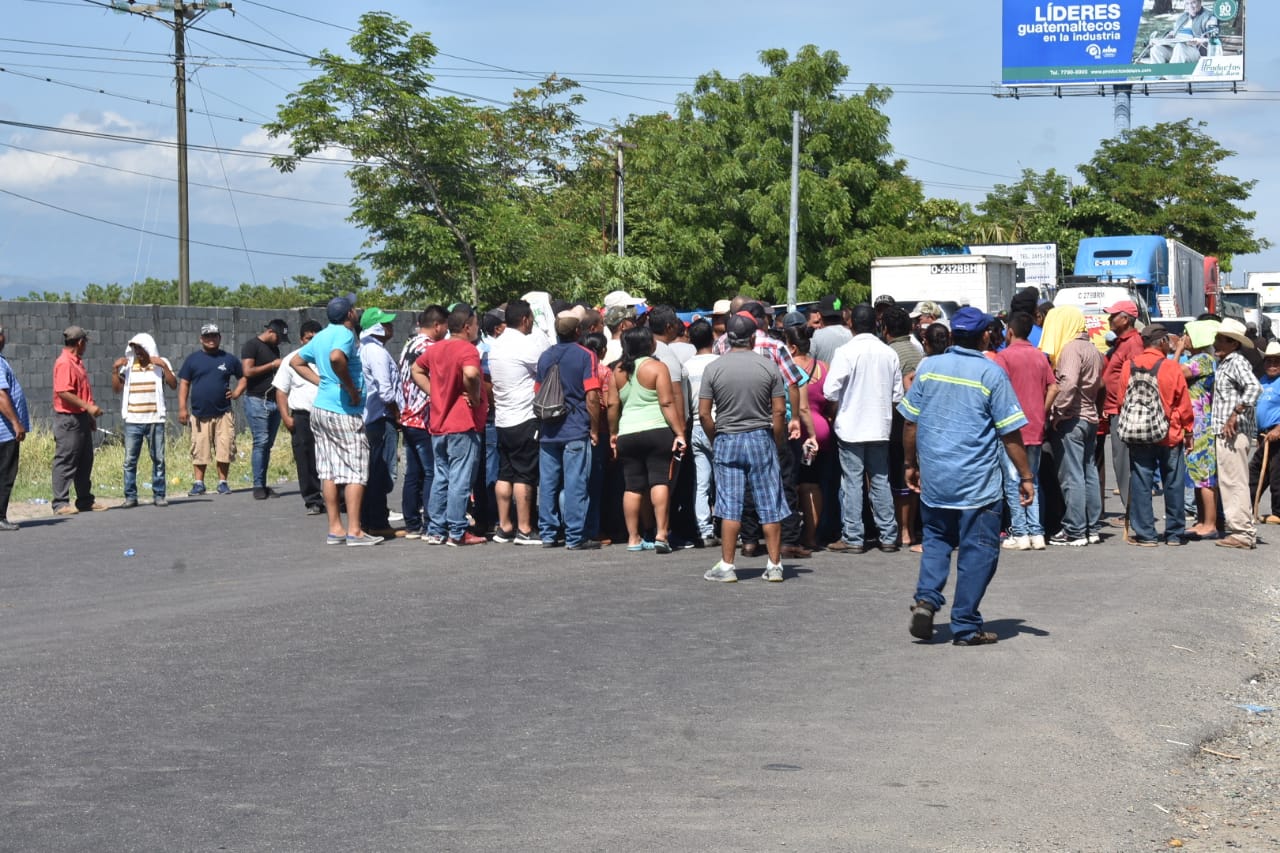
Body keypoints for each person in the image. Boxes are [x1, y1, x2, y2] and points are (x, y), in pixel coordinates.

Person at [900, 306, 1033, 647]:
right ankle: (965, 625)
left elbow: (910, 422)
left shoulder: (928, 368)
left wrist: (909, 464)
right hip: (977, 484)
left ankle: (928, 599)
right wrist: (1026, 476)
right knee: (979, 551)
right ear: (985, 335)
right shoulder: (990, 374)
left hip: (937, 479)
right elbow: (1010, 434)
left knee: (936, 541)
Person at [700, 313, 790, 583]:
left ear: (727, 338)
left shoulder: (714, 368)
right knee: (769, 502)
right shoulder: (768, 367)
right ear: (753, 338)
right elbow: (779, 411)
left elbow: (704, 414)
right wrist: (776, 440)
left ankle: (727, 566)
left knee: (729, 504)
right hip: (761, 436)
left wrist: (716, 438)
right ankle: (775, 565)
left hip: (728, 437)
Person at [289, 296, 383, 547]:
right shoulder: (344, 333)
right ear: (349, 314)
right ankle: (355, 531)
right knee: (355, 471)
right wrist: (350, 388)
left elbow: (295, 361)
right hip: (343, 410)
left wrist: (322, 383)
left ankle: (335, 528)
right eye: (354, 309)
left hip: (320, 409)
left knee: (328, 469)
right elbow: (336, 358)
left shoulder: (320, 336)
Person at [824, 303, 903, 553]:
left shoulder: (845, 352)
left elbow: (829, 390)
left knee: (852, 483)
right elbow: (897, 394)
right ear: (876, 324)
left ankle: (853, 536)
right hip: (880, 426)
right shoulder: (888, 353)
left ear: (851, 324)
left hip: (851, 426)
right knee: (880, 481)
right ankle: (888, 535)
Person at [413, 304, 487, 547]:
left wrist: (435, 393)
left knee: (441, 476)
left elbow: (416, 369)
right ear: (467, 327)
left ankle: (436, 529)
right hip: (462, 423)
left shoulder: (436, 348)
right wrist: (474, 397)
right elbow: (472, 374)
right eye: (475, 325)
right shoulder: (467, 349)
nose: (477, 329)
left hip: (439, 423)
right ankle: (458, 529)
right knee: (460, 478)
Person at [1114, 324, 1194, 547]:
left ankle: (1146, 535)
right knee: (1173, 481)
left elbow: (1122, 401)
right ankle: (1175, 534)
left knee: (1141, 480)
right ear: (1161, 342)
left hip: (1139, 433)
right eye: (1168, 341)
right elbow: (1184, 404)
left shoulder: (1129, 366)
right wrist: (1188, 430)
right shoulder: (1171, 367)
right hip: (1170, 432)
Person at [611, 326, 686, 553]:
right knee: (659, 480)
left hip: (627, 432)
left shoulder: (618, 370)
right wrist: (680, 432)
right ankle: (661, 533)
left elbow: (614, 405)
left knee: (632, 485)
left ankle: (633, 538)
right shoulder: (657, 367)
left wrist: (613, 433)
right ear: (650, 345)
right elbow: (666, 402)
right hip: (656, 430)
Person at [536, 308, 602, 550]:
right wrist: (594, 428)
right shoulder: (586, 356)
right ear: (577, 332)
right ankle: (574, 536)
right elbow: (592, 396)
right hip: (575, 427)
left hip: (548, 429)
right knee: (575, 483)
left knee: (548, 483)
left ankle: (548, 533)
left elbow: (538, 391)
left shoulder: (545, 357)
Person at [1040, 305, 1105, 548]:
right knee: (1088, 473)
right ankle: (1092, 527)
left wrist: (1058, 411)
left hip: (1072, 419)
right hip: (1090, 417)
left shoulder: (1070, 349)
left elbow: (1067, 382)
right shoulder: (1093, 349)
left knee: (1072, 476)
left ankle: (1075, 529)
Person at [488, 299, 550, 544]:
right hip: (524, 417)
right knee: (525, 475)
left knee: (505, 473)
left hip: (503, 419)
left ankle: (505, 526)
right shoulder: (524, 344)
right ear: (525, 319)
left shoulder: (498, 344)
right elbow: (545, 367)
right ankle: (525, 529)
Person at [994, 312, 1058, 550]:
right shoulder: (1040, 357)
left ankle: (1020, 532)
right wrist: (1042, 410)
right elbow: (1054, 386)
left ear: (1009, 331)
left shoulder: (1003, 357)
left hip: (1011, 426)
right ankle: (1037, 532)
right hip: (1035, 425)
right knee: (1032, 477)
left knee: (1013, 480)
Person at [178, 323, 245, 498]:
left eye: (214, 336)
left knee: (225, 447)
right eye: (207, 336)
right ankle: (199, 483)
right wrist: (182, 408)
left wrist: (237, 392)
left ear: (219, 338)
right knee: (200, 449)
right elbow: (184, 383)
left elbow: (243, 377)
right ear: (201, 339)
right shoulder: (193, 360)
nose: (211, 339)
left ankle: (223, 482)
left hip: (223, 413)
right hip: (200, 414)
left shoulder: (229, 359)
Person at [397, 306, 447, 539]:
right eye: (445, 326)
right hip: (424, 417)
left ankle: (412, 523)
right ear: (437, 325)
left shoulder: (409, 344)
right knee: (431, 472)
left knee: (413, 473)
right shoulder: (431, 348)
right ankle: (430, 522)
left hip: (406, 416)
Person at [1211, 318, 1262, 549]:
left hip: (1234, 431)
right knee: (1230, 481)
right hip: (1227, 431)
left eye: (1221, 340)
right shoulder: (1226, 362)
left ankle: (1242, 532)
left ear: (1233, 343)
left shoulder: (1236, 362)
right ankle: (1240, 529)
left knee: (1235, 481)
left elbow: (1254, 387)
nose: (1215, 344)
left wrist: (1236, 412)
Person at [111, 332, 177, 508]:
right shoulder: (129, 366)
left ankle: (159, 494)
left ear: (148, 348)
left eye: (140, 348)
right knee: (130, 460)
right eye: (135, 348)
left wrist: (164, 367)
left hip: (155, 419)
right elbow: (117, 389)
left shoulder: (159, 364)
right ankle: (130, 496)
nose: (138, 352)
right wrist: (115, 370)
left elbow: (173, 384)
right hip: (133, 420)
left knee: (158, 458)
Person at [784, 324, 832, 551]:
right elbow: (832, 399)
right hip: (821, 429)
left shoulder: (787, 368)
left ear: (792, 347)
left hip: (798, 432)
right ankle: (811, 536)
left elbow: (799, 408)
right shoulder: (823, 367)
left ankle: (790, 533)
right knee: (813, 485)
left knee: (793, 484)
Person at [51, 325, 106, 515]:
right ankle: (60, 503)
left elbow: (80, 391)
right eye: (85, 343)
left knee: (85, 460)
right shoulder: (65, 362)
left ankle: (84, 500)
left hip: (80, 417)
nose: (86, 346)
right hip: (68, 419)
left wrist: (88, 415)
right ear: (80, 342)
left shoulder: (77, 362)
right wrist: (89, 407)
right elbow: (63, 391)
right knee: (66, 460)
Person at [1101, 300, 1146, 525]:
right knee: (1121, 462)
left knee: (1125, 462)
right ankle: (1130, 510)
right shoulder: (1121, 343)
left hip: (1124, 410)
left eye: (1113, 316)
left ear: (1125, 319)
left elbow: (1137, 378)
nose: (1109, 320)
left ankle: (1133, 512)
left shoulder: (1134, 343)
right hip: (1115, 409)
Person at [358, 308, 402, 537]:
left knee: (373, 471)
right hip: (381, 417)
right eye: (385, 324)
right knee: (381, 472)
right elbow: (386, 391)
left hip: (372, 417)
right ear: (376, 328)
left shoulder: (366, 349)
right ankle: (378, 522)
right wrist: (397, 414)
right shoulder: (376, 352)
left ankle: (370, 520)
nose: (390, 327)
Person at [273, 320, 324, 515]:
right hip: (302, 416)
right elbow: (281, 391)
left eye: (316, 338)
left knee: (330, 457)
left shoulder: (329, 357)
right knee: (305, 458)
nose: (312, 341)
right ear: (301, 339)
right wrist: (286, 417)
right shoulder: (290, 360)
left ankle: (340, 498)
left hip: (327, 415)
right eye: (308, 338)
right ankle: (313, 500)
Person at [1176, 319, 1220, 538]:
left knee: (1204, 474)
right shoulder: (1199, 359)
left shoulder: (1203, 359)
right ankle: (1202, 520)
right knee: (1195, 472)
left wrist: (1177, 351)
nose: (1183, 338)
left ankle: (1210, 523)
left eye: (1187, 334)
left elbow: (1174, 374)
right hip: (1195, 420)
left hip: (1202, 423)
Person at [240, 319, 290, 500]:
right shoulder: (251, 345)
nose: (280, 342)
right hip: (257, 400)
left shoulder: (274, 349)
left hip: (274, 400)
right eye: (279, 337)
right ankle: (258, 485)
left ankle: (263, 482)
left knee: (268, 444)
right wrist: (272, 365)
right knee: (261, 442)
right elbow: (247, 371)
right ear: (270, 331)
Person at [683, 319, 720, 547]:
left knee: (701, 482)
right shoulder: (720, 364)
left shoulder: (686, 366)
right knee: (725, 479)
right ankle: (728, 527)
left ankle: (704, 529)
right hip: (719, 425)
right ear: (713, 339)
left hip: (695, 425)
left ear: (690, 340)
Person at [0, 324, 29, 530]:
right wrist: (16, 422)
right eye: (1, 333)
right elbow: (1, 395)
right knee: (5, 474)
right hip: (4, 432)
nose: (4, 336)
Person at [1249, 342, 1280, 524]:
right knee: (1256, 470)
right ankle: (1249, 506)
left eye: (1276, 362)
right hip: (1264, 434)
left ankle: (1278, 512)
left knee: (1277, 474)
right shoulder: (1262, 380)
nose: (1272, 365)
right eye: (1269, 361)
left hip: (1277, 432)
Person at [1143, 0, 1220, 64]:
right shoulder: (1182, 17)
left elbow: (1213, 38)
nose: (1190, 6)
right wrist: (1165, 39)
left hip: (1196, 52)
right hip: (1177, 50)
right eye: (1187, 3)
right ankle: (1157, 77)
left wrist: (1199, 41)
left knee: (1180, 47)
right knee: (1156, 49)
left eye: (1193, 2)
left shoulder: (1209, 17)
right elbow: (1174, 33)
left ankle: (1169, 78)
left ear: (1200, 2)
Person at [809, 294, 852, 365]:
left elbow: (809, 364)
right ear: (842, 315)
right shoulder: (851, 334)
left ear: (819, 315)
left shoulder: (817, 336)